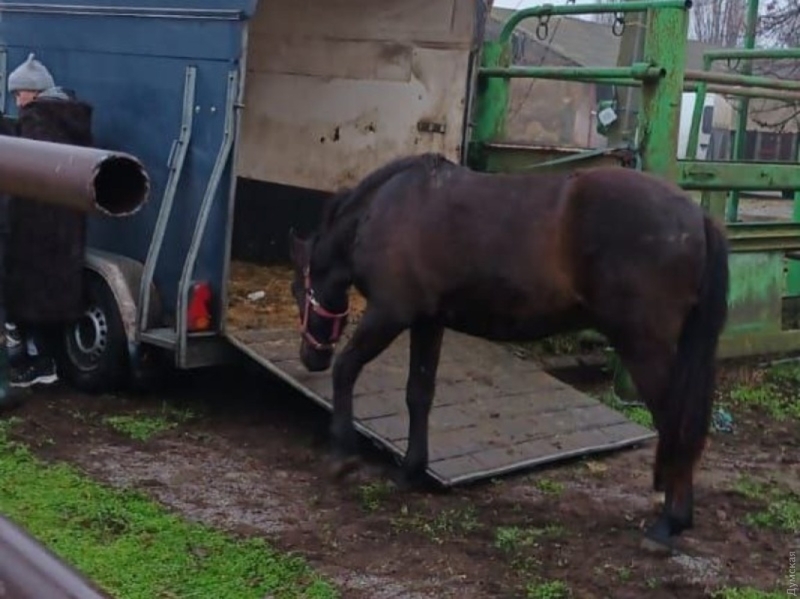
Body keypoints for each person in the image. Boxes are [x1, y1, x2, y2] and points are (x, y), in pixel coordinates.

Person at [3, 53, 93, 390]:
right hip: (66, 226)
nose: (17, 100)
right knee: (47, 300)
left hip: (36, 227)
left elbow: (28, 172)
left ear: (33, 92)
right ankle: (46, 363)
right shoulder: (69, 118)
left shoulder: (38, 121)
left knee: (26, 298)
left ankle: (33, 366)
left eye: (18, 93)